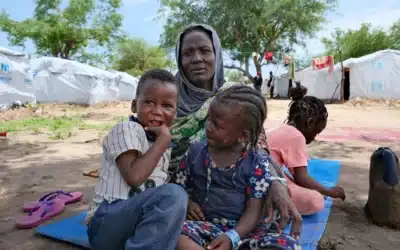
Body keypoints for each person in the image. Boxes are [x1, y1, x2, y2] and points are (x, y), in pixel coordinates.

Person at [170, 23, 302, 240]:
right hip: (183, 188)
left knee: (291, 202)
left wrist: (277, 183)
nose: (196, 58)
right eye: (187, 53)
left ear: (217, 54)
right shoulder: (165, 98)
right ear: (179, 59)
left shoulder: (235, 95)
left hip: (242, 184)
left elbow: (257, 147)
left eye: (204, 50)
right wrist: (181, 198)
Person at [174, 85, 300, 250]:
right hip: (204, 227)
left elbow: (254, 212)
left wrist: (231, 237)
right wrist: (188, 203)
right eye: (209, 119)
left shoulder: (255, 163)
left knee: (287, 245)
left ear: (243, 135)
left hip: (244, 232)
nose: (208, 127)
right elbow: (178, 187)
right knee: (174, 233)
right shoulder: (195, 152)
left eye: (217, 125)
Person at [85, 69, 188, 250]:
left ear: (175, 113)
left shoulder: (160, 142)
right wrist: (163, 141)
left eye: (167, 106)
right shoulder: (126, 129)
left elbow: (158, 184)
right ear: (134, 106)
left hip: (134, 229)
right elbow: (134, 177)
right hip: (106, 223)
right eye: (149, 102)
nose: (157, 111)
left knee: (176, 197)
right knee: (174, 194)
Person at [267, 85, 346, 215]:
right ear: (309, 123)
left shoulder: (282, 130)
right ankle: (272, 210)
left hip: (256, 180)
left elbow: (294, 175)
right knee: (315, 201)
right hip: (263, 188)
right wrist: (329, 191)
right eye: (316, 132)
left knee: (285, 175)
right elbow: (302, 178)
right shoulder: (296, 136)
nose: (314, 138)